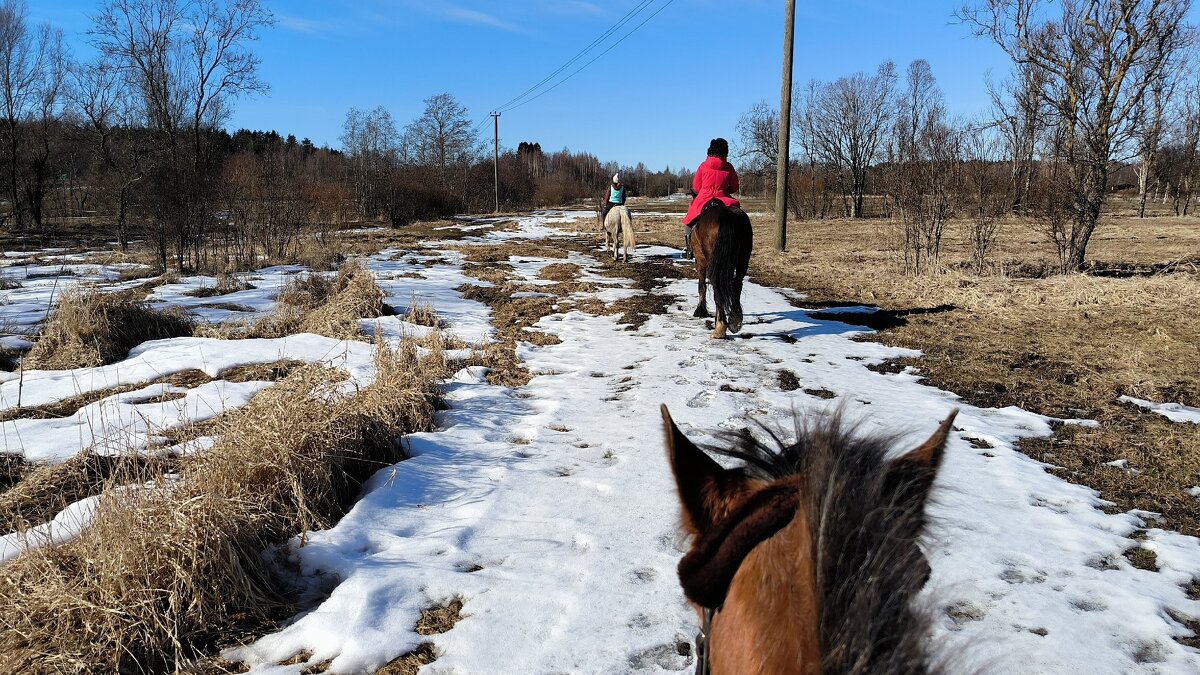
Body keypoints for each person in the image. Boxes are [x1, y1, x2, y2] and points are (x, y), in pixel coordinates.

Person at [682, 138, 740, 259]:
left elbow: (696, 187)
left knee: (688, 222)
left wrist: (703, 191)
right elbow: (735, 187)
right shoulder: (729, 167)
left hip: (704, 198)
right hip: (724, 199)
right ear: (725, 152)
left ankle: (688, 249)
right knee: (739, 218)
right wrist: (724, 191)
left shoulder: (703, 166)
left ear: (710, 151)